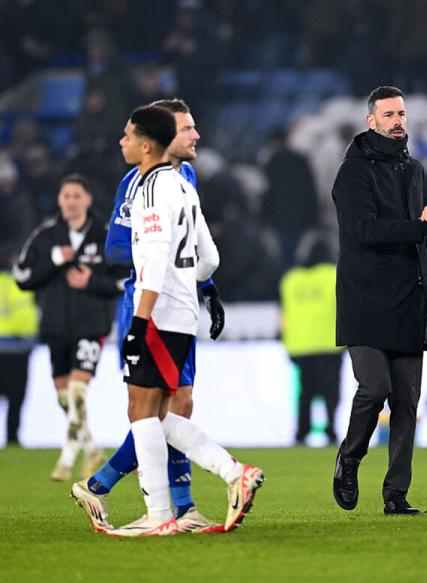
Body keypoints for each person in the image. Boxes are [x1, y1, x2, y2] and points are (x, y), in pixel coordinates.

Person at [106, 105, 263, 536]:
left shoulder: (150, 189)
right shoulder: (184, 185)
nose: (121, 143)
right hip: (181, 311)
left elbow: (154, 259)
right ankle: (221, 481)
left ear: (145, 144)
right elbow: (209, 257)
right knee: (154, 413)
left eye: (126, 135)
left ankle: (169, 511)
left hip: (156, 312)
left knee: (141, 410)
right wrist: (196, 286)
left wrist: (139, 320)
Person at [71, 99, 226, 535]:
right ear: (160, 138)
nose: (195, 135)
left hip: (180, 302)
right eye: (187, 128)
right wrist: (155, 261)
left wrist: (207, 286)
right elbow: (117, 250)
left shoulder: (186, 176)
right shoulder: (137, 184)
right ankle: (180, 503)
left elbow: (193, 246)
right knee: (156, 406)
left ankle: (114, 489)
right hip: (145, 302)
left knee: (180, 403)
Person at [332, 86, 427, 516]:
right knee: (375, 388)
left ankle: (396, 495)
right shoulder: (352, 173)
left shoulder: (414, 169)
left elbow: (426, 243)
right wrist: (419, 227)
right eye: (388, 115)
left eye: (401, 113)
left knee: (407, 399)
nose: (397, 121)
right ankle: (349, 458)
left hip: (408, 299)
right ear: (371, 121)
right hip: (364, 298)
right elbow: (364, 230)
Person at [13, 174, 124, 481]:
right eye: (66, 196)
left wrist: (92, 281)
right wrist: (52, 259)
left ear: (88, 200)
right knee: (66, 398)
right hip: (56, 327)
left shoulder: (106, 235)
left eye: (77, 195)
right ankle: (92, 451)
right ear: (59, 201)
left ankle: (66, 460)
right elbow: (22, 277)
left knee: (77, 389)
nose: (71, 201)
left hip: (92, 325)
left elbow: (125, 279)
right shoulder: (46, 236)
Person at [280, 231, 342, 444]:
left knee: (305, 393)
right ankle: (331, 428)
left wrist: (287, 343)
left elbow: (285, 315)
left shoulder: (291, 280)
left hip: (300, 345)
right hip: (329, 344)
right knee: (330, 392)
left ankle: (302, 432)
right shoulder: (334, 275)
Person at [0, 254, 38, 446]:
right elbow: (25, 320)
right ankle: (12, 438)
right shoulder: (18, 286)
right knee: (16, 399)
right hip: (16, 349)